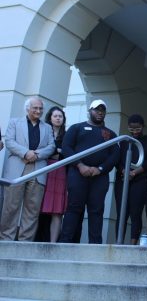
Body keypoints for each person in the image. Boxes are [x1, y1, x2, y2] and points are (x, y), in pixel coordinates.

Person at [58, 99, 119, 244]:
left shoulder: (110, 134)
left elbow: (115, 155)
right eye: (96, 109)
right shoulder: (76, 128)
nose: (99, 112)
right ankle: (65, 243)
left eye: (102, 110)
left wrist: (100, 169)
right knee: (74, 208)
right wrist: (80, 165)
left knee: (96, 211)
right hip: (77, 174)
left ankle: (95, 246)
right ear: (89, 111)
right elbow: (66, 147)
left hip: (99, 177)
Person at [0, 97, 55, 241]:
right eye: (35, 108)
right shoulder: (14, 122)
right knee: (10, 207)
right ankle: (6, 240)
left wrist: (37, 154)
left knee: (32, 210)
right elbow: (9, 141)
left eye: (41, 108)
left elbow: (51, 146)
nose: (38, 111)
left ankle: (25, 243)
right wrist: (25, 153)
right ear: (27, 108)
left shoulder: (47, 127)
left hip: (38, 170)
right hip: (16, 170)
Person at [114, 114, 147, 245]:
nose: (134, 131)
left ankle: (133, 243)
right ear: (128, 127)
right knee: (121, 213)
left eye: (137, 128)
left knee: (136, 213)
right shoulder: (124, 141)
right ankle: (119, 242)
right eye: (132, 128)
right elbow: (117, 159)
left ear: (142, 127)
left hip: (140, 180)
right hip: (123, 180)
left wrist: (134, 172)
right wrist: (124, 171)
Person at [36, 106, 68, 242]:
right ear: (50, 118)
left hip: (60, 171)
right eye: (55, 116)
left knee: (57, 209)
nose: (58, 118)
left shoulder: (67, 135)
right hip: (44, 169)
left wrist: (57, 151)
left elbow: (67, 152)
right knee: (39, 206)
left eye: (60, 116)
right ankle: (36, 239)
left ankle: (53, 243)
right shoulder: (42, 132)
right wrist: (57, 151)